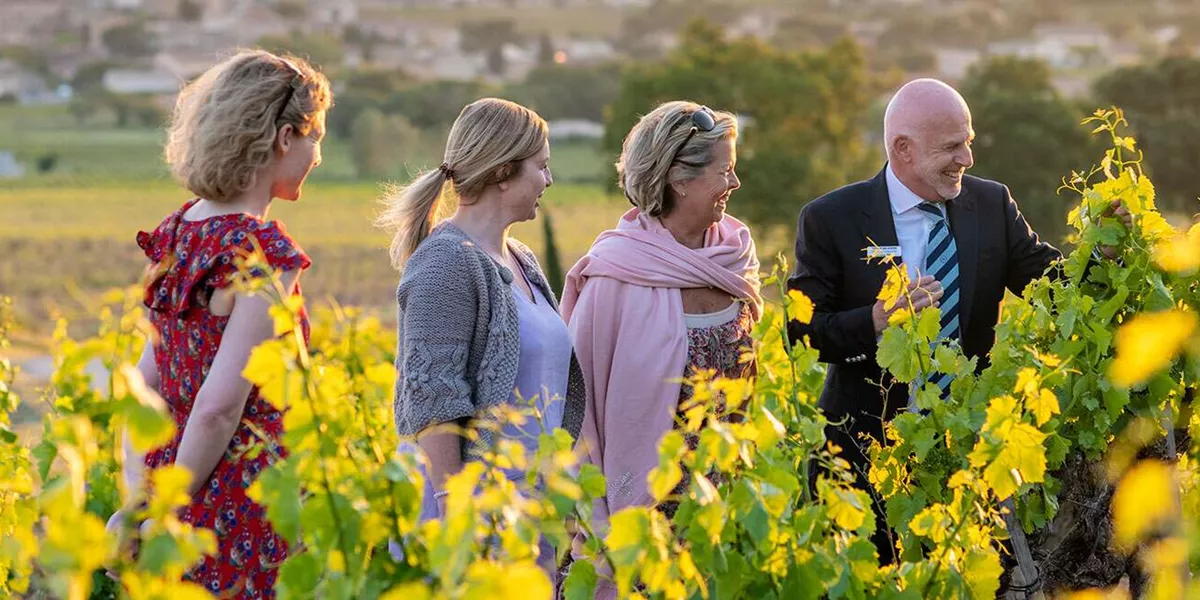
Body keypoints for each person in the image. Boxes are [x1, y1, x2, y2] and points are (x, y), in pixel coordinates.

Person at [787, 78, 1129, 564]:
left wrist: (1104, 257)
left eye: (968, 143)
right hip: (861, 455)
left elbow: (1052, 285)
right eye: (951, 147)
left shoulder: (992, 204)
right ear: (902, 149)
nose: (966, 159)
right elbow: (802, 335)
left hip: (969, 453)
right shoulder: (831, 218)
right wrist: (877, 320)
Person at [109, 49, 332, 597]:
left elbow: (146, 388)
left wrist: (138, 506)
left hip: (168, 488)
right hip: (239, 502)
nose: (319, 156)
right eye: (315, 137)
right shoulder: (263, 253)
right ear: (284, 137)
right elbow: (218, 408)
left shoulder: (177, 231)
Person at [379, 98, 586, 580]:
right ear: (503, 172)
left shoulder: (520, 258)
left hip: (521, 507)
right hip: (465, 508)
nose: (549, 181)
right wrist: (459, 508)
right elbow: (432, 395)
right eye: (542, 167)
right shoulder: (447, 262)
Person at [561, 101, 763, 595]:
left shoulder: (734, 258)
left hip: (723, 515)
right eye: (725, 171)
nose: (735, 185)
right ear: (679, 178)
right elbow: (579, 414)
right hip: (644, 522)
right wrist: (602, 525)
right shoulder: (615, 276)